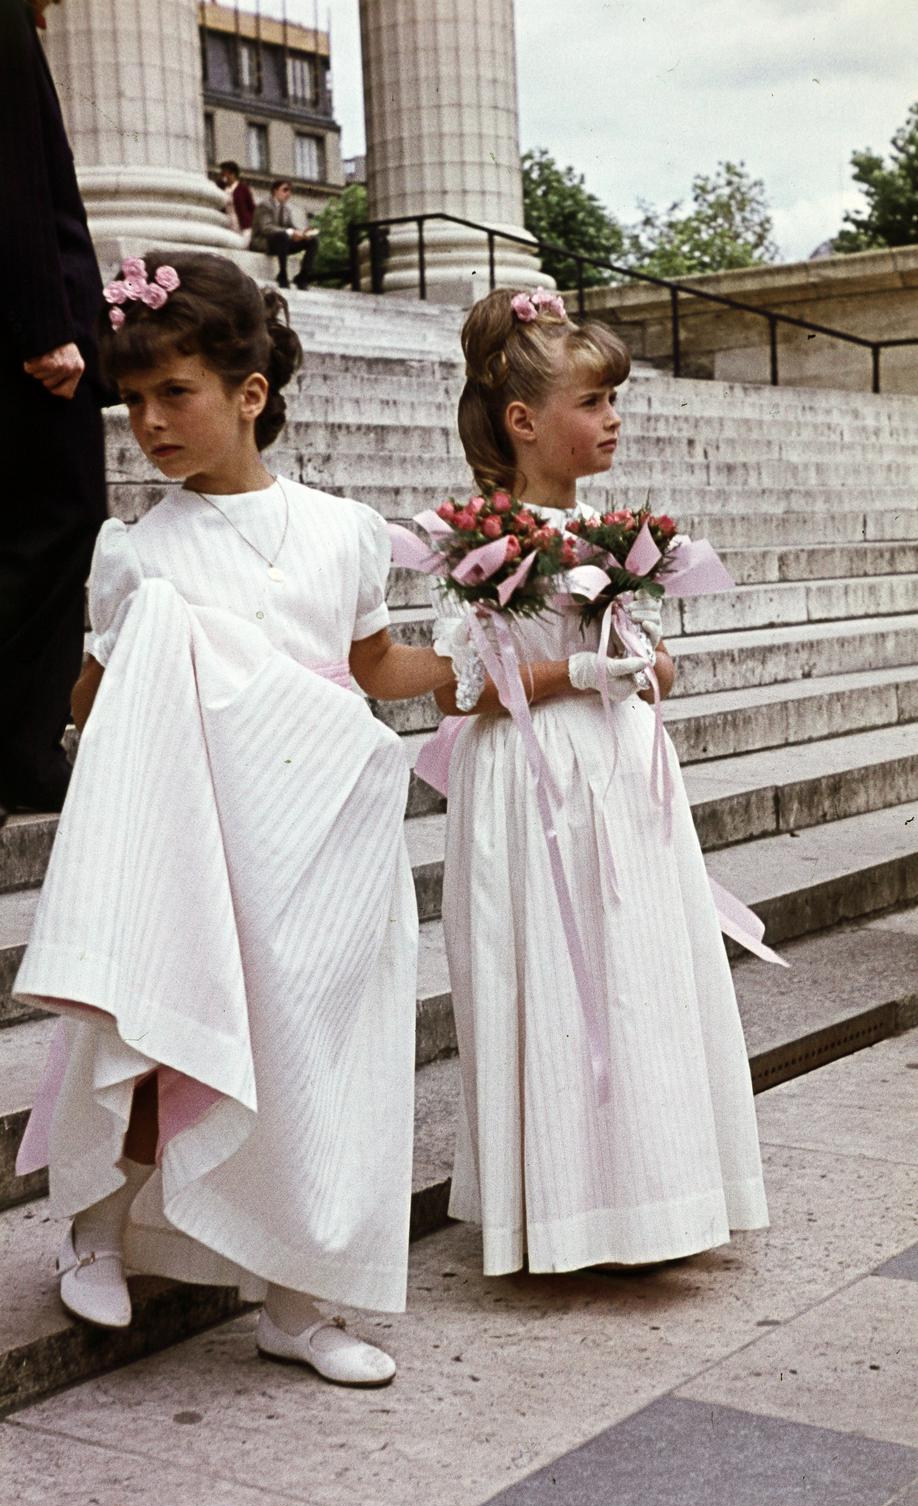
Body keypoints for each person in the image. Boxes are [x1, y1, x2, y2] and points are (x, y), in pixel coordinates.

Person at [14, 252, 458, 1386]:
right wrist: (104, 670)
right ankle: (97, 1229)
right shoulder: (136, 549)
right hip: (198, 833)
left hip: (319, 831)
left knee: (319, 1048)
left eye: (177, 394)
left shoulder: (344, 530)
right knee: (161, 1029)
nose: (150, 423)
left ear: (249, 394)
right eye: (134, 402)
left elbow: (369, 663)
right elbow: (98, 694)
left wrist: (473, 661)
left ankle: (300, 1299)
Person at [430, 286, 769, 1278]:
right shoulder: (490, 539)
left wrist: (644, 662)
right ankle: (568, 1205)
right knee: (557, 965)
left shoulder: (614, 532)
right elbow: (471, 684)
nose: (612, 419)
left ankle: (653, 1189)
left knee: (636, 971)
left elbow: (647, 655)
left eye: (614, 400)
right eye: (592, 402)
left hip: (620, 769)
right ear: (524, 421)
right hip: (540, 777)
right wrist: (579, 672)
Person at [0, 0, 107, 816]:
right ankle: (23, 754)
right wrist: (45, 324)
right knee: (54, 526)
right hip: (30, 340)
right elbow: (14, 166)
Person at [250, 178, 318, 289]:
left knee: (313, 240)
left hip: (281, 243)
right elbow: (266, 228)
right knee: (283, 236)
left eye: (290, 191)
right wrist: (291, 232)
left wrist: (302, 233)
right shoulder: (265, 205)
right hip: (263, 242)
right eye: (285, 190)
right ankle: (282, 275)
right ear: (275, 191)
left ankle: (303, 277)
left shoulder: (286, 209)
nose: (288, 194)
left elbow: (290, 227)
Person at [217, 160, 255, 240]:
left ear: (232, 174)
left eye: (224, 173)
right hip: (228, 222)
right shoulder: (222, 188)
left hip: (242, 224)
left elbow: (251, 207)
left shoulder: (242, 189)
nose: (222, 176)